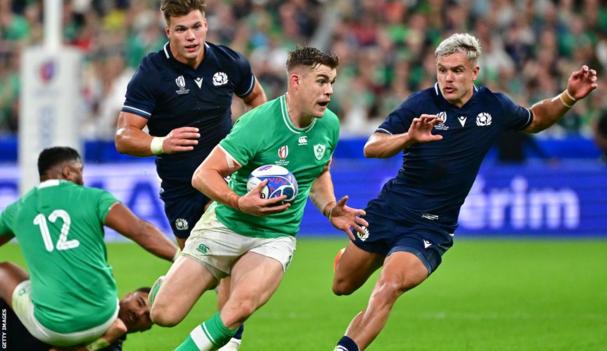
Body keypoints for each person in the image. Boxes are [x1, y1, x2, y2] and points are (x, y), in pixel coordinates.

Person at [331, 32, 598, 351]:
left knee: (389, 285)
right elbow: (372, 147)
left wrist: (568, 96)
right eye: (442, 70)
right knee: (342, 286)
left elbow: (536, 119)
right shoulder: (420, 103)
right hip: (389, 209)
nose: (448, 78)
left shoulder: (493, 106)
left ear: (474, 71)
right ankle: (348, 259)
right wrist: (409, 138)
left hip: (431, 224)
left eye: (456, 70)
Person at [149, 47, 368, 351]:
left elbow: (317, 172)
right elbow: (203, 175)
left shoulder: (329, 124)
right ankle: (165, 286)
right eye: (321, 81)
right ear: (296, 81)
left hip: (275, 236)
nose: (329, 91)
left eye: (331, 82)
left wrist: (330, 208)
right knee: (164, 314)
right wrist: (239, 202)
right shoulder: (257, 123)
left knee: (240, 307)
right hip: (227, 223)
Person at [114, 2, 266, 346]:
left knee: (225, 255)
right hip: (181, 187)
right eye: (181, 29)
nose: (191, 36)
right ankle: (161, 288)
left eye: (196, 26)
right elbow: (124, 136)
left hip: (225, 179)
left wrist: (251, 139)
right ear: (168, 32)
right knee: (205, 274)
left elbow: (257, 100)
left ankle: (230, 341)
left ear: (206, 25)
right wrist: (160, 143)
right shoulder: (152, 73)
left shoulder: (229, 62)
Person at [0, 146, 178, 350]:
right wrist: (183, 259)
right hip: (105, 315)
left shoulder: (18, 209)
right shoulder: (94, 197)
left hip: (51, 327)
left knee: (3, 272)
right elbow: (141, 231)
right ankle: (101, 341)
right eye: (80, 172)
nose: (83, 181)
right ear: (67, 172)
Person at [0, 267, 150, 351]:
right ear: (128, 296)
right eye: (140, 303)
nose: (139, 313)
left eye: (148, 317)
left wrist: (104, 340)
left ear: (146, 329)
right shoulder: (94, 294)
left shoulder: (110, 349)